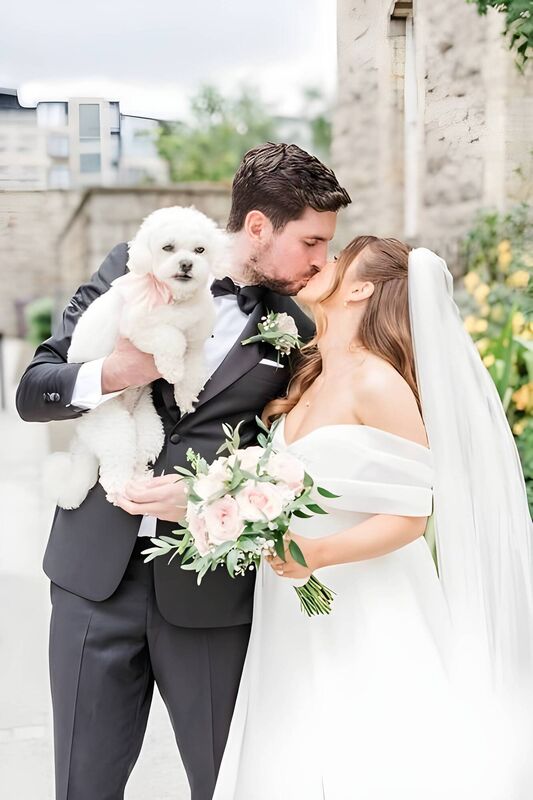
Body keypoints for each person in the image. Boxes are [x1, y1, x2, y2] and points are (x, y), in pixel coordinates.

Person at [15, 142, 351, 800]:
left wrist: (204, 495)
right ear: (258, 226)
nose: (319, 259)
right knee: (82, 786)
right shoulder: (132, 269)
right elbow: (34, 390)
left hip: (210, 596)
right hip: (92, 583)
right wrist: (113, 372)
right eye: (310, 240)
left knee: (225, 784)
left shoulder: (295, 328)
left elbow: (297, 457)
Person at [211, 237, 533, 799]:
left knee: (372, 751)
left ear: (360, 287)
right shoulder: (308, 375)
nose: (322, 261)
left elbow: (410, 515)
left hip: (365, 600)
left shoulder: (377, 381)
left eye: (337, 258)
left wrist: (317, 553)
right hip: (293, 604)